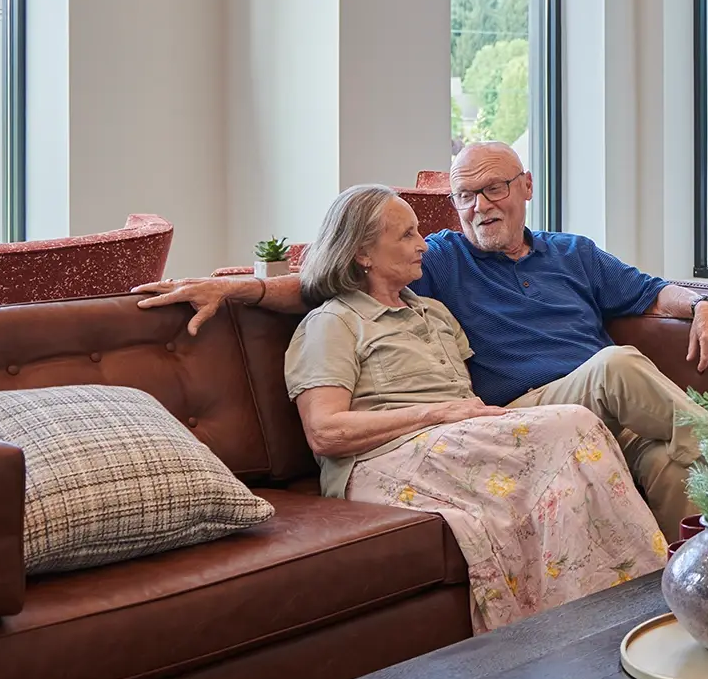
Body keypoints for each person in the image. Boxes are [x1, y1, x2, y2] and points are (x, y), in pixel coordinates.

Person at [137, 142, 708, 539]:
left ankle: (698, 594)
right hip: (529, 407)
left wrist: (703, 302)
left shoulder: (572, 253)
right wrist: (235, 287)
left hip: (604, 408)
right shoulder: (443, 260)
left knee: (665, 454)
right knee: (616, 364)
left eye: (493, 189)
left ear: (525, 188)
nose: (479, 206)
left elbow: (649, 292)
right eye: (464, 195)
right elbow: (327, 281)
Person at [285, 184, 665, 633]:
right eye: (406, 236)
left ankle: (601, 617)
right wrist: (435, 413)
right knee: (575, 425)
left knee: (567, 473)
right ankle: (638, 605)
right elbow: (325, 431)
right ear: (363, 253)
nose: (422, 245)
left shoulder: (434, 314)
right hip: (383, 459)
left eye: (419, 234)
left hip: (457, 441)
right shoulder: (332, 322)